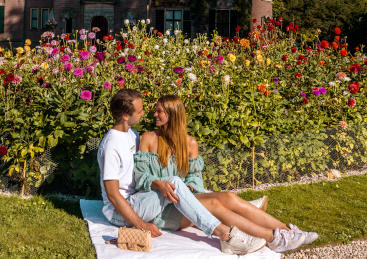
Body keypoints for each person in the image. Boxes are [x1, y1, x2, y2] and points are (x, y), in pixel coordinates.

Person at [135, 95, 319, 254]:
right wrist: (160, 184)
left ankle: (287, 231)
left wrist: (189, 188)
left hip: (184, 198)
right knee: (215, 204)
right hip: (160, 207)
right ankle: (274, 238)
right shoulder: (149, 138)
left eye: (159, 111)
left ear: (173, 114)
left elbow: (194, 177)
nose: (155, 115)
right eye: (156, 111)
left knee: (229, 197)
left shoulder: (190, 143)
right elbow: (140, 177)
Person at [98, 89, 266, 255]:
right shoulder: (112, 145)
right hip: (119, 211)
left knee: (189, 191)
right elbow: (113, 195)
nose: (144, 113)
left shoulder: (132, 134)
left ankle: (243, 210)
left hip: (140, 199)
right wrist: (140, 224)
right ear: (126, 116)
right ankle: (225, 234)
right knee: (176, 184)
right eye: (140, 110)